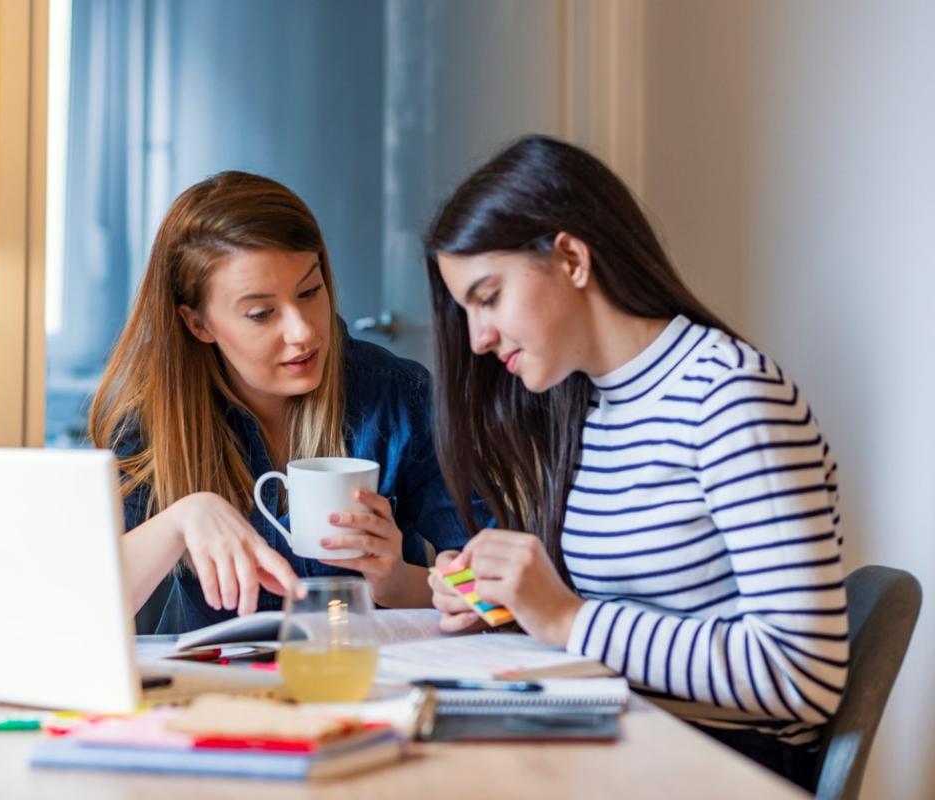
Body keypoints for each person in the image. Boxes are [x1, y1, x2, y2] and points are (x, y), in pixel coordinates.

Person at [424, 135, 846, 791]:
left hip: (719, 764)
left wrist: (566, 618)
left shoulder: (730, 396)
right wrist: (502, 601)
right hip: (622, 736)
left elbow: (803, 675)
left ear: (570, 258)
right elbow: (627, 614)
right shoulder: (589, 405)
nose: (478, 339)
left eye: (488, 297)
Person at [89, 170, 469, 635]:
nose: (303, 331)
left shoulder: (400, 396)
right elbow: (78, 610)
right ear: (197, 324)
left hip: (366, 670)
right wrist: (182, 519)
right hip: (211, 677)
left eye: (310, 292)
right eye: (261, 313)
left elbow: (487, 592)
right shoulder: (152, 422)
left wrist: (397, 581)